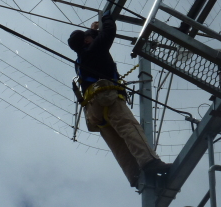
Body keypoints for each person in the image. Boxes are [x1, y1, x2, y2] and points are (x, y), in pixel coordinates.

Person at [68, 10, 170, 187]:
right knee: (128, 127)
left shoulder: (80, 59)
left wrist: (92, 30)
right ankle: (149, 162)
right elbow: (108, 33)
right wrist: (107, 16)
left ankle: (136, 177)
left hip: (93, 111)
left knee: (117, 144)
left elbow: (95, 39)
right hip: (106, 98)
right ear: (86, 41)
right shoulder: (94, 49)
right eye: (89, 37)